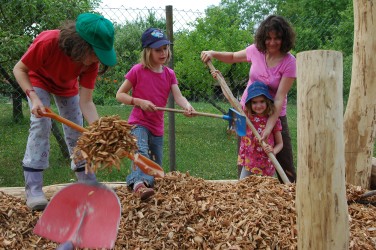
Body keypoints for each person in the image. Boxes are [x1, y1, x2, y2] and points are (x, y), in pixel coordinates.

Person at [13, 13, 117, 210]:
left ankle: (87, 181)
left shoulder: (91, 63)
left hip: (66, 87)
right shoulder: (48, 42)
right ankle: (34, 187)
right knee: (41, 124)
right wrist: (34, 98)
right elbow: (19, 69)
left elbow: (86, 102)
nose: (98, 59)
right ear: (80, 45)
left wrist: (101, 130)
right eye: (96, 53)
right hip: (37, 80)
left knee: (78, 131)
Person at [201, 15, 297, 183]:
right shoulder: (256, 50)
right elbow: (232, 57)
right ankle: (244, 192)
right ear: (263, 38)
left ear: (285, 38)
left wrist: (268, 128)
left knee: (284, 159)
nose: (272, 42)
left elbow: (280, 98)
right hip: (247, 112)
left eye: (277, 38)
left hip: (274, 114)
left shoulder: (289, 62)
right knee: (247, 153)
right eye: (268, 38)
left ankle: (290, 195)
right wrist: (213, 54)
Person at [116, 28, 195, 200]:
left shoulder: (169, 74)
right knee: (140, 152)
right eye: (158, 49)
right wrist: (139, 102)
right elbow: (119, 94)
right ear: (148, 51)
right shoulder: (138, 70)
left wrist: (187, 106)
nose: (163, 53)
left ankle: (146, 186)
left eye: (165, 48)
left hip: (156, 127)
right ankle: (138, 184)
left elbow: (178, 96)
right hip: (138, 122)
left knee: (155, 165)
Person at [237, 81, 283, 179]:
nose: (258, 105)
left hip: (267, 163)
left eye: (262, 101)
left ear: (267, 101)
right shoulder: (248, 118)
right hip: (250, 163)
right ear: (249, 103)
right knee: (243, 187)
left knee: (270, 190)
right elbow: (232, 100)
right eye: (254, 102)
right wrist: (220, 78)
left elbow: (280, 144)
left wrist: (273, 151)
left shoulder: (273, 120)